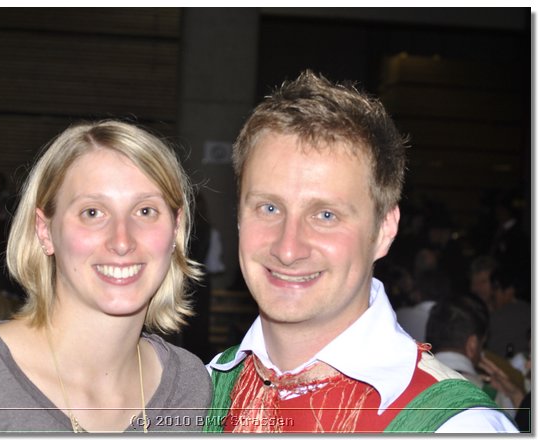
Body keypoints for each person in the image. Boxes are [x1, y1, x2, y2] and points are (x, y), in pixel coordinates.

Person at [205, 70, 516, 433]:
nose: (288, 249)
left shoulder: (458, 426)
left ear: (384, 230)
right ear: (238, 217)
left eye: (325, 215)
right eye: (269, 208)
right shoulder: (201, 390)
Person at [0, 120, 212, 432]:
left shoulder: (189, 387)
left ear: (176, 229)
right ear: (45, 231)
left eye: (145, 211)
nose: (121, 241)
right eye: (92, 212)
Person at [425, 295, 522, 419]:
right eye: (483, 345)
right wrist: (516, 397)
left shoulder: (406, 385)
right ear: (473, 345)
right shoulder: (492, 398)